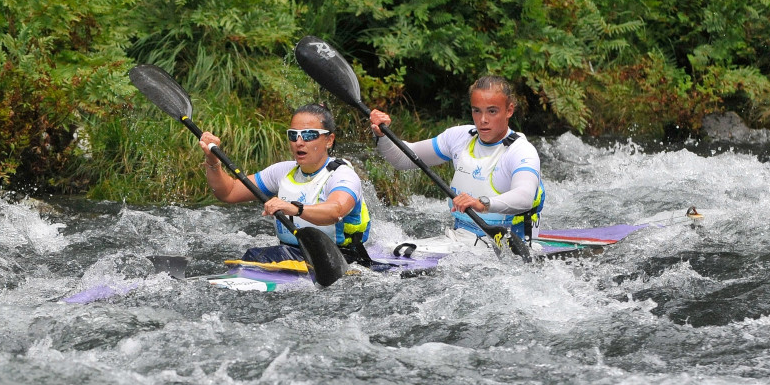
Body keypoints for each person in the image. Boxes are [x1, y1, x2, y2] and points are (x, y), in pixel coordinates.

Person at [369, 75, 544, 246]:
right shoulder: (460, 137)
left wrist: (481, 204)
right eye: (477, 110)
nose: (482, 120)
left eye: (492, 111)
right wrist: (382, 135)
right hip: (462, 239)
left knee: (399, 250)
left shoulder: (521, 151)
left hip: (505, 244)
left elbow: (524, 197)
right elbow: (402, 159)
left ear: (509, 110)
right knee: (393, 248)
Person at [199, 103, 371, 264]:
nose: (299, 142)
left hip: (340, 258)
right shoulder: (282, 171)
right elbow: (228, 192)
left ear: (329, 140)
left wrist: (295, 208)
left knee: (257, 257)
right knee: (255, 255)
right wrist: (212, 160)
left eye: (308, 135)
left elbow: (336, 211)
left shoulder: (342, 175)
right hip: (291, 256)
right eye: (293, 135)